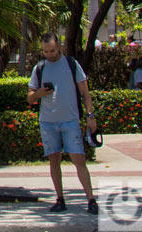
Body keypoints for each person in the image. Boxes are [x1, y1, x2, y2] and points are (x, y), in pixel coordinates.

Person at [27, 33, 98, 214]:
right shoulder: (40, 68)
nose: (49, 54)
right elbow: (30, 98)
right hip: (48, 122)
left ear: (59, 46)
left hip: (70, 121)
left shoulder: (72, 64)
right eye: (45, 51)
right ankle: (60, 198)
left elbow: (85, 93)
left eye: (52, 50)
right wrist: (40, 93)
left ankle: (91, 199)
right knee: (54, 160)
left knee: (79, 159)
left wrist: (90, 116)